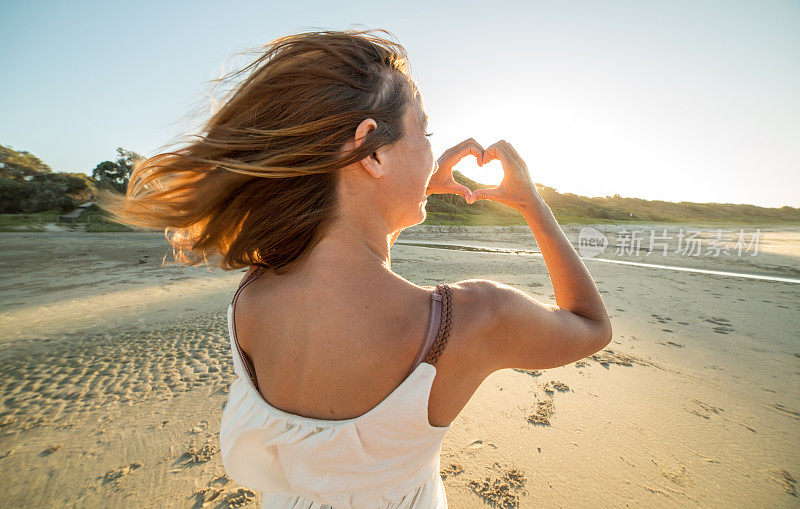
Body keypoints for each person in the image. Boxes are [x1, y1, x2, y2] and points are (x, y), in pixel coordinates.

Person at [98, 29, 612, 508]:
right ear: (370, 149)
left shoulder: (253, 294)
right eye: (424, 131)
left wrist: (404, 185)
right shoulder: (472, 318)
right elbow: (592, 327)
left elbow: (350, 249)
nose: (432, 150)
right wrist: (532, 204)